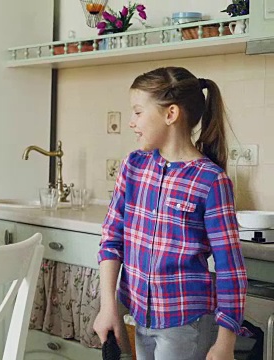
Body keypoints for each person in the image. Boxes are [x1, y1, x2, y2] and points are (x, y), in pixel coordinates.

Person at [93, 67, 248, 360]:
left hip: (185, 324)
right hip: (140, 318)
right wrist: (108, 307)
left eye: (138, 112)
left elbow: (230, 269)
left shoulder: (210, 181)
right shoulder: (133, 167)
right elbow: (111, 239)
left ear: (171, 114)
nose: (131, 122)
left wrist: (225, 340)